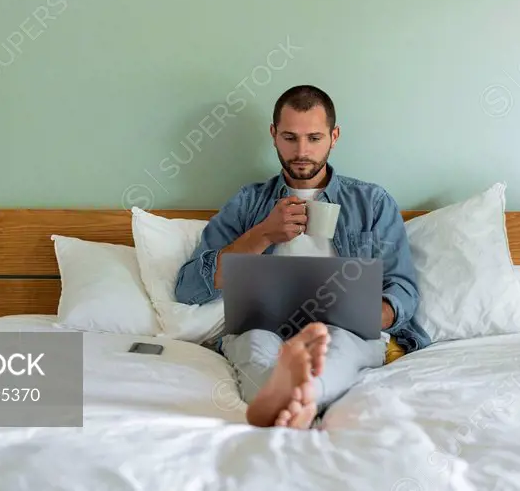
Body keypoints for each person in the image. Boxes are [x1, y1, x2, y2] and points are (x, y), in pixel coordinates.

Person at [174, 85, 429, 430]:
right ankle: (297, 401)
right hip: (262, 325)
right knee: (251, 343)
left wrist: (372, 313)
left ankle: (293, 399)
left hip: (345, 329)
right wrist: (262, 234)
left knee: (338, 345)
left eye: (314, 138)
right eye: (290, 138)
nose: (302, 151)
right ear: (274, 135)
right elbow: (189, 288)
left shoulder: (372, 202)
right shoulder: (249, 203)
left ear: (334, 136)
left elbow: (404, 290)